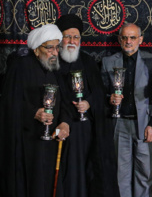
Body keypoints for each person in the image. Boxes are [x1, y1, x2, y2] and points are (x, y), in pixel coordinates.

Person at [0, 24, 70, 197]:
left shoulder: (55, 69)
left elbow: (63, 103)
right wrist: (33, 112)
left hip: (51, 142)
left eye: (57, 47)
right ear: (37, 49)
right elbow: (9, 103)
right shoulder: (20, 66)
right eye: (50, 48)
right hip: (27, 142)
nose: (54, 52)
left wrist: (64, 122)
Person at [55, 14, 119, 197]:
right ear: (60, 38)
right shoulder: (53, 62)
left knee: (88, 172)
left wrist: (89, 103)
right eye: (67, 36)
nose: (71, 41)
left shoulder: (88, 61)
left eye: (76, 37)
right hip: (62, 126)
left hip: (86, 129)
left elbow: (99, 91)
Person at [101, 23, 152, 197]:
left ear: (140, 39)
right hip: (120, 124)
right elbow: (100, 93)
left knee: (145, 173)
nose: (128, 41)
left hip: (144, 123)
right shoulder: (107, 62)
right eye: (124, 37)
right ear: (119, 39)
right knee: (121, 174)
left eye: (132, 37)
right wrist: (109, 98)